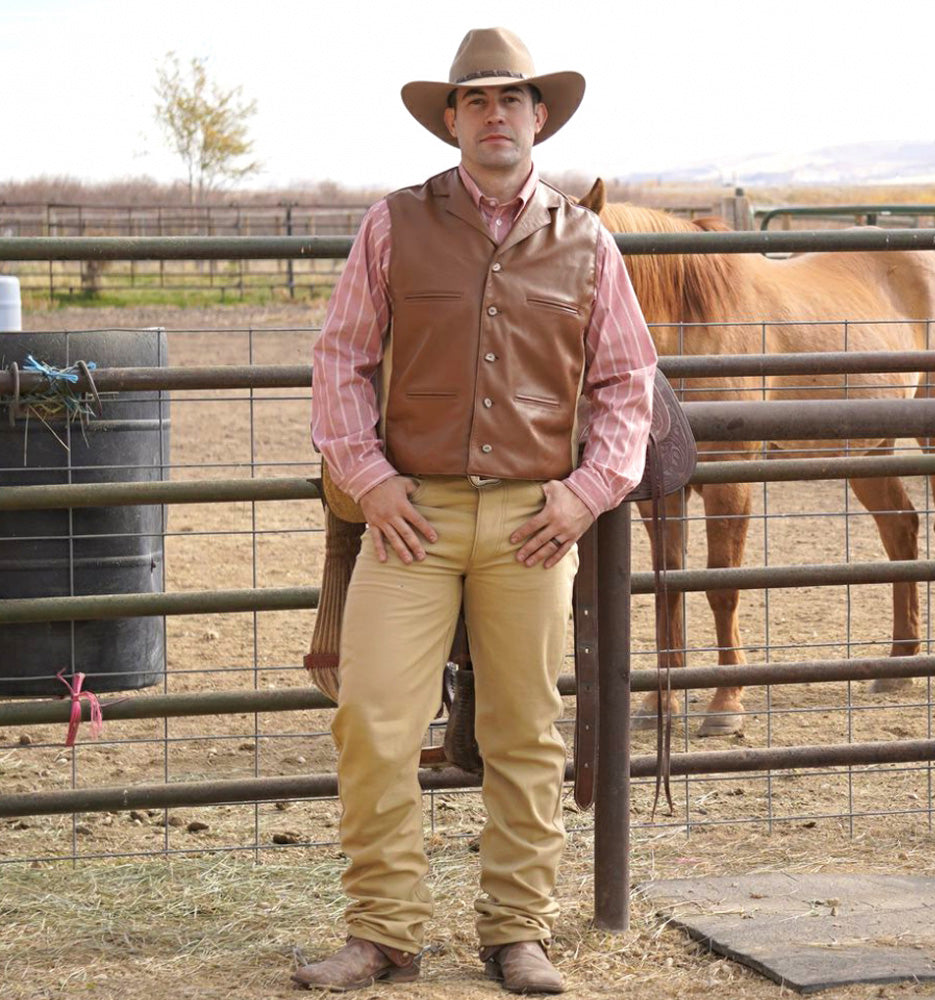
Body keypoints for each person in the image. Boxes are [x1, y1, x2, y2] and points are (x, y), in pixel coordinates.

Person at [296, 26, 657, 994]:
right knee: (373, 720)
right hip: (408, 514)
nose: (496, 115)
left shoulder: (587, 240)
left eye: (514, 100)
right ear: (451, 119)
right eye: (478, 100)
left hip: (532, 526)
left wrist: (585, 495)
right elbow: (341, 359)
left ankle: (516, 932)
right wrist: (369, 481)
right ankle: (382, 932)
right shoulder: (391, 223)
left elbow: (629, 382)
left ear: (539, 117)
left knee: (525, 729)